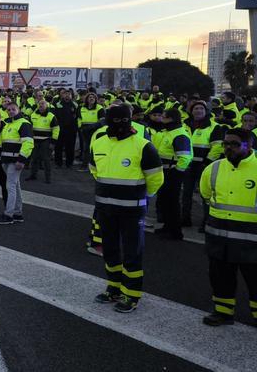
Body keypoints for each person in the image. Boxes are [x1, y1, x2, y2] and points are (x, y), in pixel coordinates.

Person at [89, 105, 164, 313]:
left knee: (132, 252)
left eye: (122, 120)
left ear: (129, 120)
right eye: (113, 120)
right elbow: (94, 170)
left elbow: (156, 179)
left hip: (132, 211)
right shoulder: (99, 142)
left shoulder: (143, 146)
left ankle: (131, 294)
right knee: (110, 250)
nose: (118, 125)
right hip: (105, 208)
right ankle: (113, 287)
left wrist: (138, 197)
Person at [199, 128, 257, 326]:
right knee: (220, 277)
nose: (228, 148)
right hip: (219, 237)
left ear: (248, 145)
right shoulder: (213, 168)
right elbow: (206, 195)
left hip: (252, 239)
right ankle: (223, 312)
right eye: (225, 144)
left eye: (234, 144)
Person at [182, 101, 224, 231]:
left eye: (201, 108)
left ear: (206, 111)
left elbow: (217, 147)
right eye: (195, 108)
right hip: (188, 166)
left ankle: (206, 221)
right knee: (186, 194)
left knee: (205, 196)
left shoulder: (214, 127)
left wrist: (207, 162)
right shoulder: (184, 125)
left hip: (204, 167)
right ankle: (185, 219)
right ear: (191, 111)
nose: (198, 110)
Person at [154, 108, 192, 240]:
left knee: (172, 203)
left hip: (172, 173)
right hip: (165, 172)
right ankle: (167, 227)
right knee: (165, 201)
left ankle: (175, 232)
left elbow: (185, 158)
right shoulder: (168, 132)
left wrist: (176, 173)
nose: (161, 119)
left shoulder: (179, 134)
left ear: (171, 119)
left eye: (163, 117)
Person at [0, 103, 33, 225]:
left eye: (13, 109)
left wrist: (21, 159)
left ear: (18, 109)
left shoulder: (23, 123)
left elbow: (28, 143)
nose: (10, 111)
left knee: (10, 187)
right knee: (15, 186)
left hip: (15, 161)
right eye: (8, 109)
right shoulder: (8, 123)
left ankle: (9, 215)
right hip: (7, 160)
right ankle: (17, 213)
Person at [27, 99, 59, 184]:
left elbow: (56, 129)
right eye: (39, 104)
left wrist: (53, 142)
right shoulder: (33, 114)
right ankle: (33, 175)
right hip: (35, 140)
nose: (41, 105)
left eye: (43, 104)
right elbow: (29, 127)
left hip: (46, 140)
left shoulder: (51, 116)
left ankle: (48, 178)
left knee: (46, 160)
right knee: (34, 159)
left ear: (46, 106)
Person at [54, 89, 78, 168]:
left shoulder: (75, 105)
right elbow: (55, 117)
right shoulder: (57, 104)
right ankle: (58, 163)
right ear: (62, 95)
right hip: (60, 129)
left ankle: (69, 163)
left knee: (70, 147)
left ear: (71, 96)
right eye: (65, 94)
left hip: (71, 129)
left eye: (69, 94)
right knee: (58, 147)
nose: (67, 95)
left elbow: (77, 117)